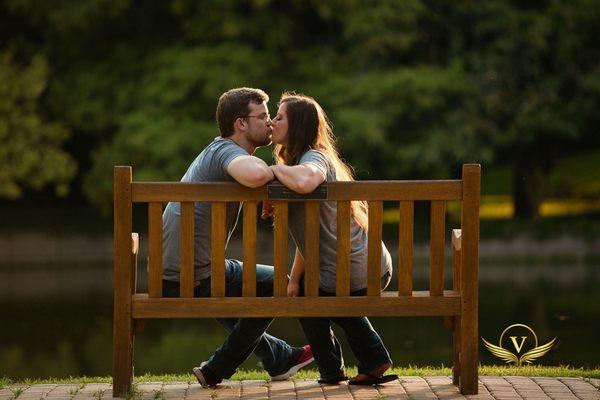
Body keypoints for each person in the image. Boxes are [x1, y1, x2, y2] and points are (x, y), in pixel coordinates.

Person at [161, 88, 313, 387]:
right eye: (263, 116)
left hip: (182, 269)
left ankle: (279, 357)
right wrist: (278, 172)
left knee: (248, 283)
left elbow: (253, 178)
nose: (270, 123)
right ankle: (219, 367)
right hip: (191, 274)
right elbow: (256, 176)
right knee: (279, 284)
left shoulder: (218, 151)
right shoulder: (226, 151)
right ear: (240, 124)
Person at [265, 92, 397, 385]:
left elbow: (308, 179)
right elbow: (309, 238)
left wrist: (273, 170)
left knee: (321, 299)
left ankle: (370, 359)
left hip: (356, 267)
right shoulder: (299, 162)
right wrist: (294, 280)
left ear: (297, 125)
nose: (272, 122)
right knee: (306, 296)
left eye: (279, 116)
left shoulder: (315, 157)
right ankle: (337, 369)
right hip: (360, 264)